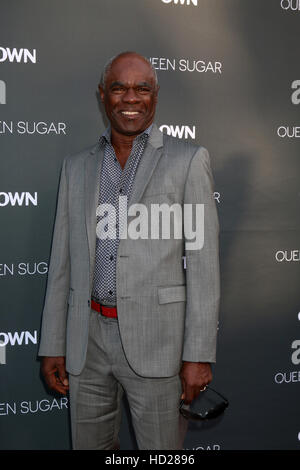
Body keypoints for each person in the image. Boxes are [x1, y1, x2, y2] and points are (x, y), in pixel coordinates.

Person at [38, 51, 220, 450]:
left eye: (142, 89)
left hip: (159, 344)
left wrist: (198, 355)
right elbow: (61, 264)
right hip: (87, 342)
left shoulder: (187, 162)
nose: (130, 98)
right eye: (119, 88)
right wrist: (53, 343)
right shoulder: (77, 167)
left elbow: (204, 267)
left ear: (155, 97)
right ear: (103, 95)